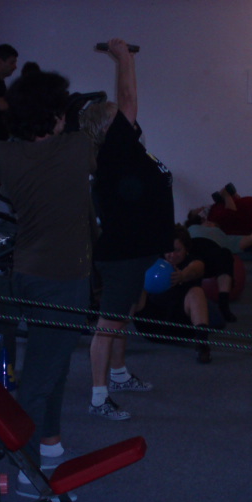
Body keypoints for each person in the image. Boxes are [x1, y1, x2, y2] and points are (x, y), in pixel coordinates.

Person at [0, 68, 96, 487]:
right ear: (52, 114)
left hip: (28, 273)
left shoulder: (2, 154)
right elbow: (124, 111)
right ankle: (28, 473)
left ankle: (49, 442)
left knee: (53, 362)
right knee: (39, 376)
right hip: (63, 279)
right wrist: (125, 60)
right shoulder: (76, 148)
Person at [80, 38, 175, 421]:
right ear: (108, 127)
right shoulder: (113, 151)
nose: (125, 117)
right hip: (122, 255)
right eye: (117, 115)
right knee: (108, 324)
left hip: (139, 249)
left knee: (124, 314)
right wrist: (124, 58)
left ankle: (118, 375)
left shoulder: (129, 150)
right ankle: (98, 398)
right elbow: (129, 97)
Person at [135, 226, 213, 364]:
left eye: (178, 250)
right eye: (169, 250)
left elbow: (196, 269)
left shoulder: (194, 261)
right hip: (151, 326)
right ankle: (113, 337)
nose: (172, 255)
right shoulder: (154, 261)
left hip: (181, 327)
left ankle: (202, 344)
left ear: (186, 249)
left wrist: (182, 275)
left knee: (197, 291)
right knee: (136, 288)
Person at [185, 207, 252, 322]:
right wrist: (205, 208)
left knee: (225, 253)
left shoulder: (224, 237)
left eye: (212, 223)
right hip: (191, 251)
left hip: (212, 257)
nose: (208, 222)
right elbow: (192, 214)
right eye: (206, 221)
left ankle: (223, 304)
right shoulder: (191, 228)